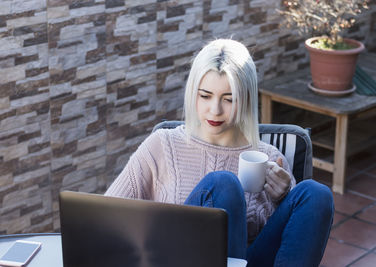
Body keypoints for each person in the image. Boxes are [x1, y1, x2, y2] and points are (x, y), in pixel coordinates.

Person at [105, 39, 334, 267]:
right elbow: (105, 217)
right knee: (223, 183)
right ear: (193, 93)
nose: (215, 110)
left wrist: (282, 196)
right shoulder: (163, 145)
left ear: (246, 99)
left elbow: (293, 240)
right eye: (205, 96)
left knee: (316, 194)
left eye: (229, 99)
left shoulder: (270, 158)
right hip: (180, 259)